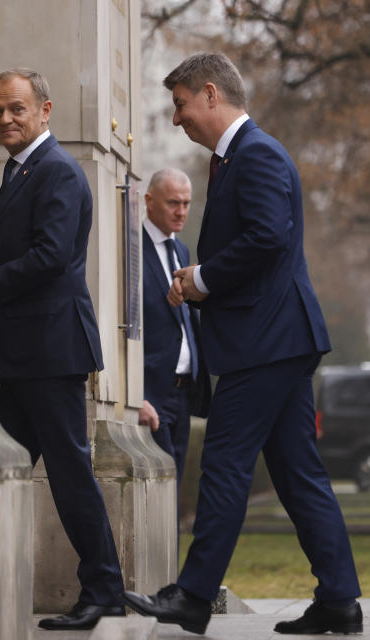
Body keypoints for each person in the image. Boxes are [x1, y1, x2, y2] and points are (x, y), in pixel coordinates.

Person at [122, 52, 362, 636]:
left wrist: (200, 278)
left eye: (180, 105)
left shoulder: (255, 154)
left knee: (225, 465)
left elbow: (267, 237)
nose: (178, 119)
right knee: (299, 474)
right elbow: (261, 244)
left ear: (210, 94)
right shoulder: (238, 158)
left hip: (268, 343)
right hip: (274, 340)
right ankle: (340, 602)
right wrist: (202, 286)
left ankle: (196, 596)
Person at [0, 68, 125, 631]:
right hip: (22, 355)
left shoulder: (58, 171)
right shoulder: (19, 170)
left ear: (46, 111)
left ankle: (105, 590)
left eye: (17, 109)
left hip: (52, 351)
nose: (5, 120)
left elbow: (49, 258)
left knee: (70, 476)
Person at [139, 168, 210, 488]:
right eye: (173, 203)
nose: (181, 211)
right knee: (160, 487)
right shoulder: (132, 248)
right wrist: (136, 395)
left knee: (175, 485)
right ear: (149, 201)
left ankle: (170, 542)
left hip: (185, 392)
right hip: (153, 391)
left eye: (186, 203)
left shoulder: (181, 250)